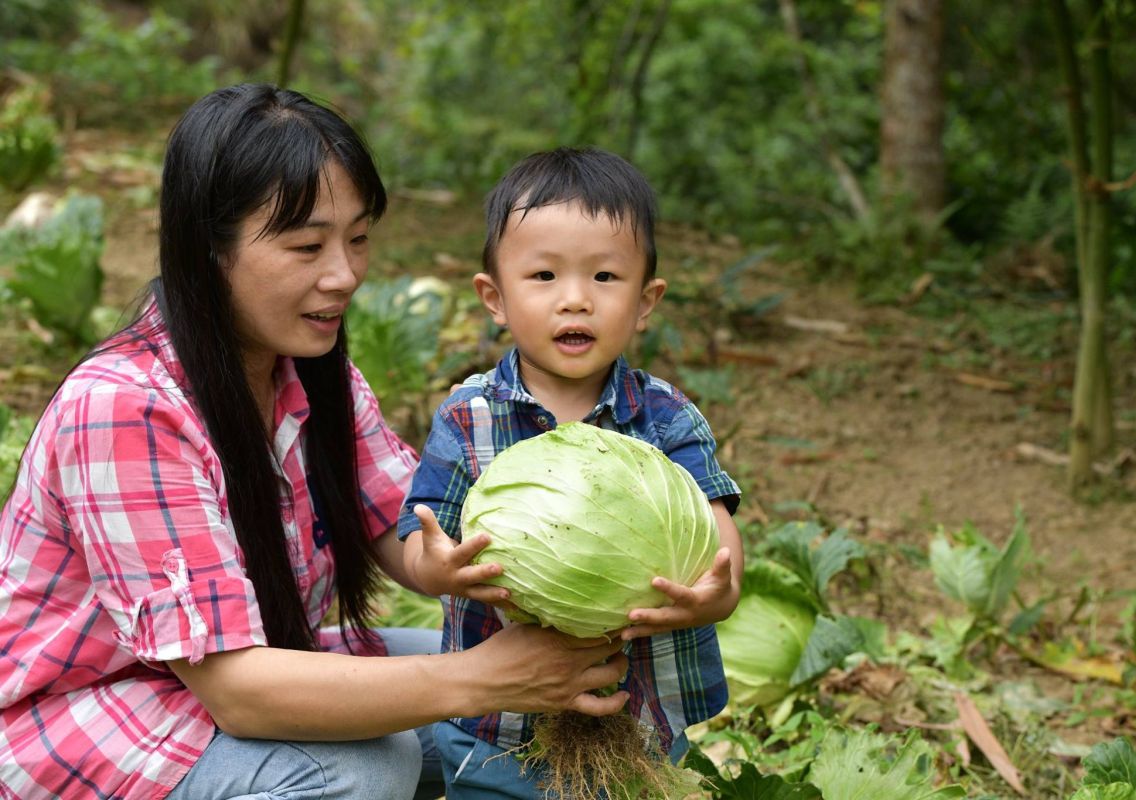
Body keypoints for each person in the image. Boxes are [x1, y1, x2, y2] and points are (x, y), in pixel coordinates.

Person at [0, 85, 630, 800]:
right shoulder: (123, 408)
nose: (345, 274)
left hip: (235, 681)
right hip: (85, 726)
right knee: (361, 769)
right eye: (307, 245)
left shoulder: (310, 372)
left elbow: (409, 528)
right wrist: (475, 680)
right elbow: (239, 692)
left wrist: (567, 565)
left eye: (358, 238)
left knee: (520, 694)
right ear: (208, 248)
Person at [394, 146, 744, 798]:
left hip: (637, 726)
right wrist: (436, 568)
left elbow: (721, 560)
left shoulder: (667, 419)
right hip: (495, 730)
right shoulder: (468, 417)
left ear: (646, 301)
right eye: (545, 276)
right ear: (493, 297)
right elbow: (422, 541)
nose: (576, 300)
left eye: (606, 278)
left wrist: (711, 597)